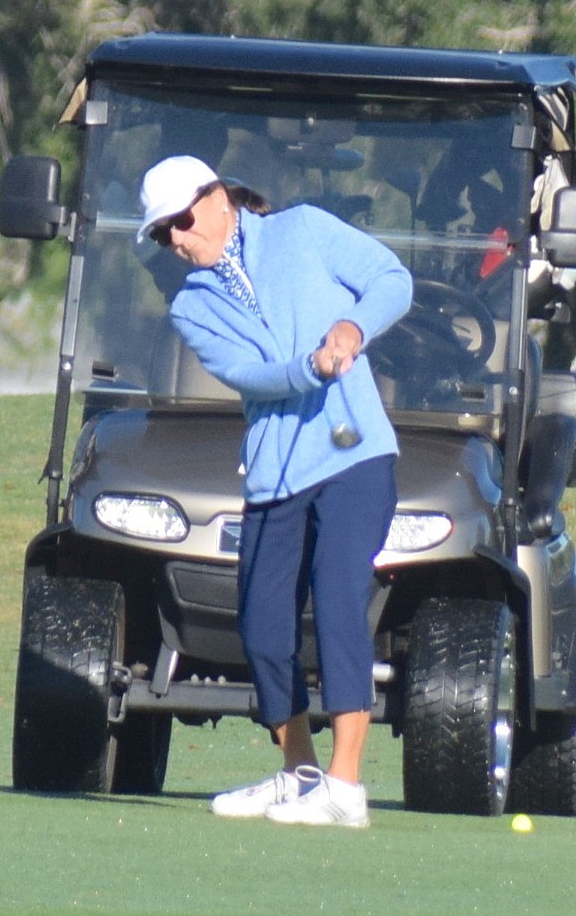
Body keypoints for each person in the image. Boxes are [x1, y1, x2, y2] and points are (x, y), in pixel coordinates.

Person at [137, 155, 413, 828]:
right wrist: (310, 365)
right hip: (273, 474)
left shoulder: (304, 231)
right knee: (263, 627)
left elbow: (391, 280)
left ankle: (346, 788)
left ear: (218, 198)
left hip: (353, 455)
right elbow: (253, 375)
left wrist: (353, 328)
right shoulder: (190, 307)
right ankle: (299, 770)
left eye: (180, 220)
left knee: (341, 591)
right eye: (160, 232)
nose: (175, 238)